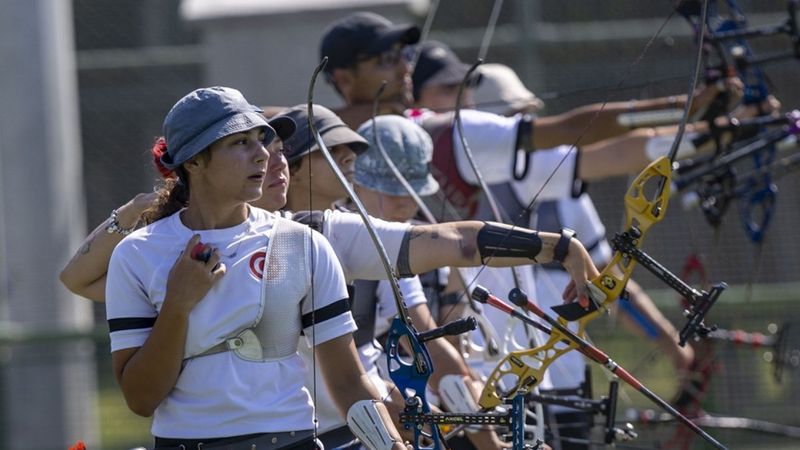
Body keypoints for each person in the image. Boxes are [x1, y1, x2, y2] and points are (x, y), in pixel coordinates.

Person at [103, 86, 408, 449]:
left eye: (263, 140)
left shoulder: (303, 243)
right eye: (241, 142)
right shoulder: (136, 254)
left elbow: (347, 382)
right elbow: (141, 400)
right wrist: (177, 305)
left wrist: (391, 444)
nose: (263, 155)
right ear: (193, 161)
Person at [319, 14, 733, 219]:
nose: (403, 67)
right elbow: (573, 128)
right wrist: (691, 106)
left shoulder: (436, 128)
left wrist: (702, 118)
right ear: (344, 77)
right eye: (386, 59)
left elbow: (580, 138)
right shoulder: (315, 136)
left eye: (405, 55)